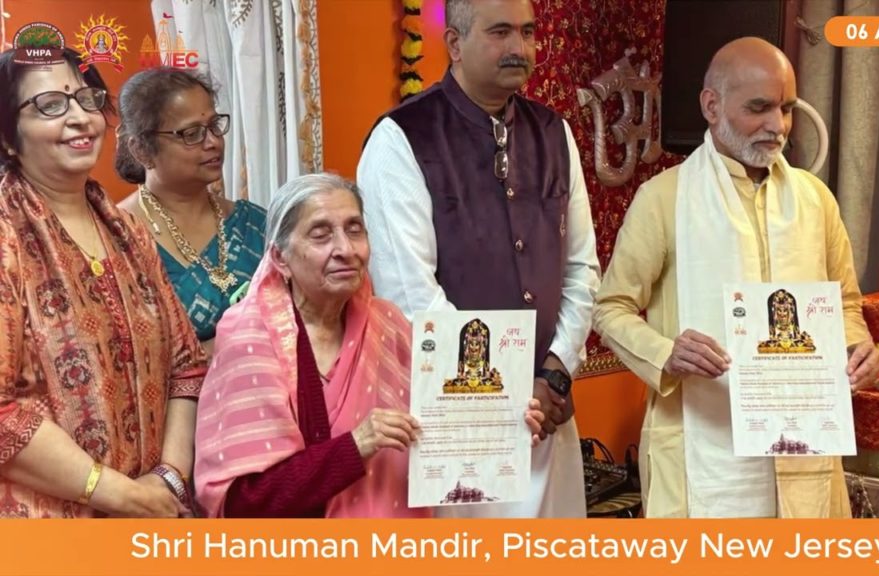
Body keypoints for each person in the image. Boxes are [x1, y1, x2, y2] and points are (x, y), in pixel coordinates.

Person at [592, 37, 879, 518]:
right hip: (702, 449)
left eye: (786, 109)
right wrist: (666, 352)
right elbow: (610, 308)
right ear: (711, 106)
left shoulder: (815, 200)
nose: (778, 126)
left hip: (802, 450)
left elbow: (845, 303)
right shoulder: (664, 199)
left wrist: (856, 347)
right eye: (759, 108)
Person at [357, 0, 600, 518]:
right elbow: (409, 294)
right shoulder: (402, 138)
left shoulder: (554, 133)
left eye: (528, 32)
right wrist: (506, 391)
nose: (520, 48)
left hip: (547, 414)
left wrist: (555, 374)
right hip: (456, 423)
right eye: (501, 32)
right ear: (455, 43)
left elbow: (582, 269)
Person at [193, 173, 546, 517]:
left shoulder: (388, 324)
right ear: (280, 258)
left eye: (355, 230)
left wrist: (503, 430)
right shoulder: (250, 338)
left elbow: (439, 436)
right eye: (321, 235)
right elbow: (242, 504)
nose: (346, 250)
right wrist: (355, 446)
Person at [0, 48, 207, 517]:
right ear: (8, 137)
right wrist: (113, 492)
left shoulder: (128, 231)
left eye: (87, 99)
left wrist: (167, 478)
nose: (79, 118)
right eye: (50, 105)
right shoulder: (7, 234)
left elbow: (187, 366)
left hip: (150, 516)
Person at [115, 68, 265, 354]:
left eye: (214, 126)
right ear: (141, 150)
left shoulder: (255, 226)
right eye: (191, 134)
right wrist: (220, 350)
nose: (213, 142)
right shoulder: (116, 236)